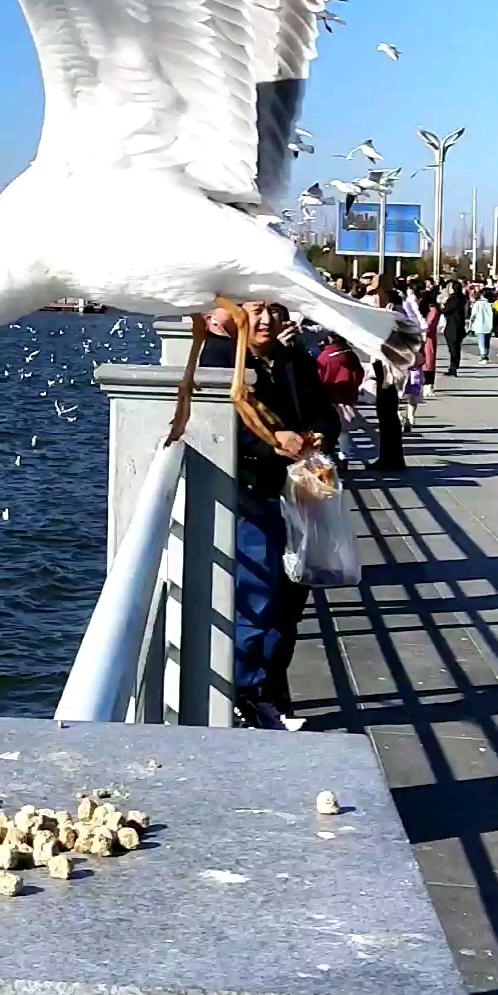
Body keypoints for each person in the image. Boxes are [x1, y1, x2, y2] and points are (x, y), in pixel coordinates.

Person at [213, 300, 340, 728]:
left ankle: (270, 686)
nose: (266, 319)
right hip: (256, 494)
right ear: (234, 314)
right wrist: (272, 446)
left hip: (301, 495)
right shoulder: (222, 359)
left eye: (273, 309)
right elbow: (222, 431)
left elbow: (325, 412)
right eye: (255, 309)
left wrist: (318, 433)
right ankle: (244, 695)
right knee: (256, 595)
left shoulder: (294, 359)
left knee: (291, 598)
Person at [370, 277, 407, 471]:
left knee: (387, 411)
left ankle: (392, 458)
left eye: (376, 293)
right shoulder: (387, 311)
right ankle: (389, 455)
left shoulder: (394, 312)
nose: (375, 297)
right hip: (382, 363)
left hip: (389, 366)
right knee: (385, 412)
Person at [315, 327, 364, 472]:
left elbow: (319, 377)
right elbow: (359, 375)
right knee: (344, 431)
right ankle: (344, 457)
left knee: (325, 429)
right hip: (347, 397)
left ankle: (326, 458)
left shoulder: (325, 357)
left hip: (328, 397)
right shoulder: (351, 356)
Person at [442, 279, 467, 377]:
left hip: (452, 326)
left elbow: (446, 310)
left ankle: (453, 367)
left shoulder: (453, 299)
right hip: (459, 325)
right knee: (456, 347)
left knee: (453, 348)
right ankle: (454, 366)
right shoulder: (462, 298)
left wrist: (442, 306)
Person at [469, 288, 495, 363]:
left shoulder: (477, 303)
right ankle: (486, 354)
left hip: (480, 324)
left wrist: (471, 322)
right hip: (489, 324)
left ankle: (483, 356)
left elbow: (473, 314)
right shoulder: (491, 304)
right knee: (487, 341)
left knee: (481, 341)